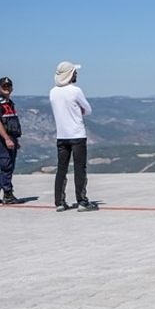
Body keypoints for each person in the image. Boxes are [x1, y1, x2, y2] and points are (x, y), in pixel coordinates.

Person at [49, 61, 97, 211]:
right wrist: (79, 111)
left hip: (61, 136)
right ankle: (82, 201)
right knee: (79, 168)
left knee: (61, 169)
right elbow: (88, 110)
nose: (76, 74)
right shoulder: (75, 91)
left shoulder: (53, 92)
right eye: (74, 72)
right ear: (69, 74)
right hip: (77, 135)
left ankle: (59, 202)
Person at [0, 76, 22, 205]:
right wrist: (6, 139)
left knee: (8, 167)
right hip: (2, 139)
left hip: (11, 138)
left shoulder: (10, 103)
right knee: (6, 166)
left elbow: (12, 122)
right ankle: (8, 194)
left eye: (9, 86)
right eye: (4, 86)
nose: (7, 88)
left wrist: (14, 139)